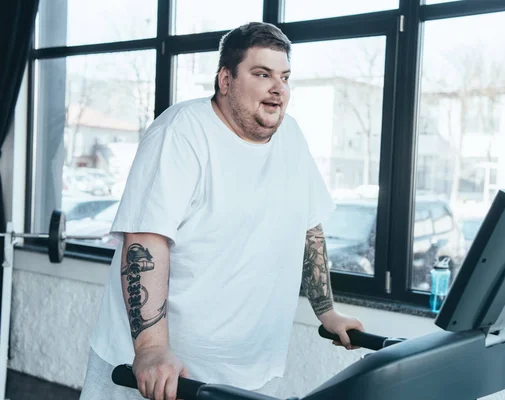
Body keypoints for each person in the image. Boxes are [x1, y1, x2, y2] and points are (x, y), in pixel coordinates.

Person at [79, 22, 364, 400]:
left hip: (250, 371)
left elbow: (309, 228)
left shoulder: (291, 137)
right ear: (225, 80)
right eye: (262, 74)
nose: (278, 88)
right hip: (160, 375)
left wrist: (327, 312)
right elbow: (145, 242)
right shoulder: (181, 132)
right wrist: (150, 349)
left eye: (284, 77)